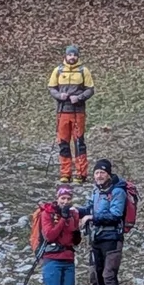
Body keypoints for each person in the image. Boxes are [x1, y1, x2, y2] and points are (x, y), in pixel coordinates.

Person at [29, 185, 82, 285]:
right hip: (52, 260)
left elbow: (75, 240)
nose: (65, 201)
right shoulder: (48, 214)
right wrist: (64, 220)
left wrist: (75, 224)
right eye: (63, 198)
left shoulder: (73, 214)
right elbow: (50, 235)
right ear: (57, 198)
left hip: (68, 259)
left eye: (68, 198)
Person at [80, 158, 128, 285]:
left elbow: (115, 215)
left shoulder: (118, 192)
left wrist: (93, 218)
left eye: (102, 172)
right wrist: (74, 211)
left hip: (112, 239)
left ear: (108, 174)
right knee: (95, 276)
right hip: (96, 239)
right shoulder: (96, 191)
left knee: (108, 276)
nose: (99, 176)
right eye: (97, 173)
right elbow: (88, 208)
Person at [48, 45, 95, 184]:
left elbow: (90, 89)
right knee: (63, 143)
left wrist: (79, 97)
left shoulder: (83, 71)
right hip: (62, 111)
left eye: (74, 55)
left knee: (79, 142)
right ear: (66, 56)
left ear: (78, 56)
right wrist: (59, 95)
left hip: (78, 112)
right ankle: (65, 173)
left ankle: (81, 174)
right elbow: (51, 88)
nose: (72, 57)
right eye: (70, 55)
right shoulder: (58, 70)